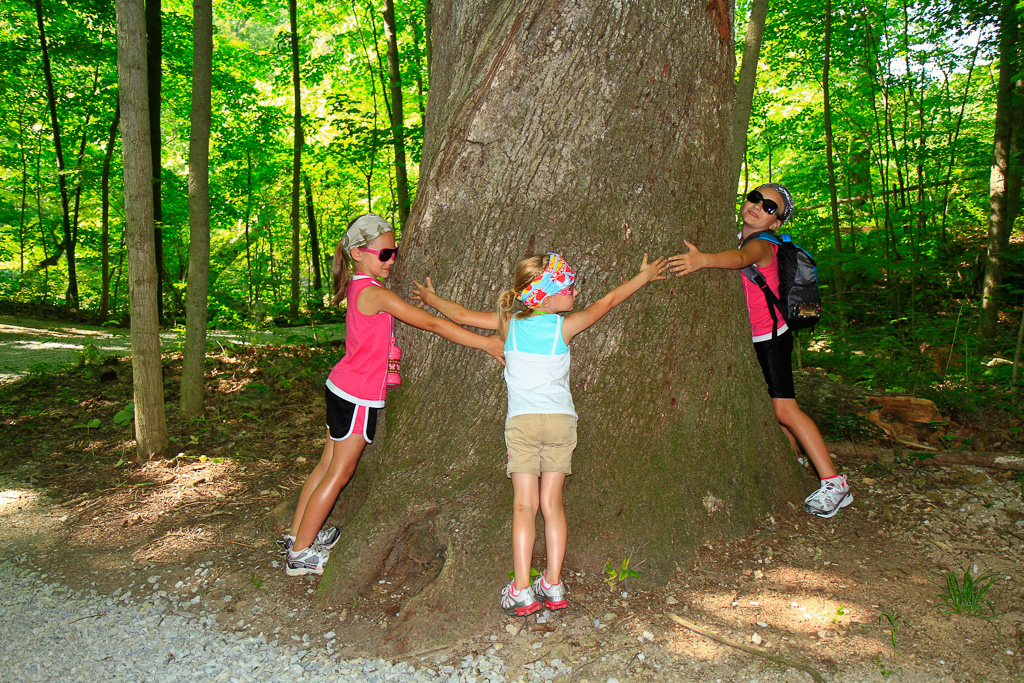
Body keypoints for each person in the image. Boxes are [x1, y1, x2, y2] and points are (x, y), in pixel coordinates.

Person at [411, 251, 667, 615]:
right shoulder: (565, 327)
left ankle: (521, 590)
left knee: (524, 505)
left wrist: (430, 299)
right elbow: (608, 302)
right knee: (552, 504)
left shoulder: (509, 323)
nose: (575, 291)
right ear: (545, 296)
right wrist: (642, 277)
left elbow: (463, 316)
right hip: (562, 423)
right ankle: (553, 583)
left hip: (524, 424)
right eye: (568, 287)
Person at [281, 214, 506, 577]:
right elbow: (430, 323)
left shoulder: (360, 285)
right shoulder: (374, 293)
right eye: (384, 253)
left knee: (326, 467)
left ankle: (296, 537)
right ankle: (301, 555)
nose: (391, 261)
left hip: (342, 385)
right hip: (356, 395)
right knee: (339, 474)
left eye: (394, 253)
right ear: (357, 253)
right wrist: (486, 343)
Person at [667, 182, 852, 518]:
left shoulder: (762, 244)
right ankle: (794, 458)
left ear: (776, 223)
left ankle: (834, 482)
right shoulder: (737, 233)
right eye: (756, 198)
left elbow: (741, 259)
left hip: (771, 338)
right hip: (755, 336)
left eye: (770, 208)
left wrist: (702, 261)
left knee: (785, 411)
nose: (758, 206)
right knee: (771, 409)